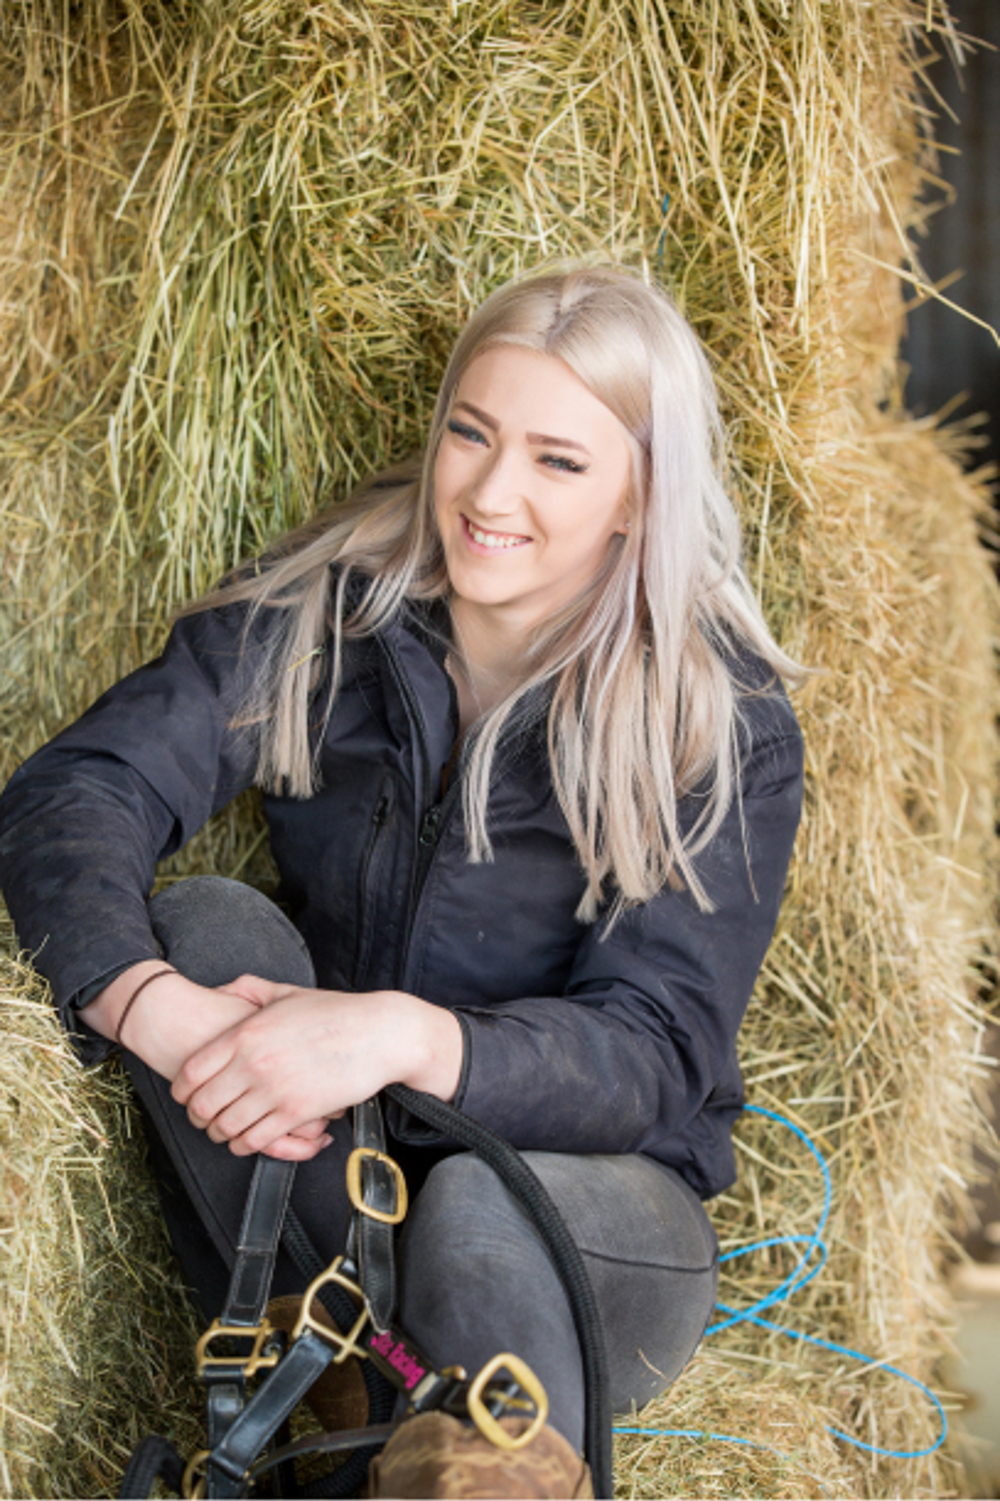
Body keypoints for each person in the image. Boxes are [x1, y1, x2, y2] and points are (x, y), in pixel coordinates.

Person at [0, 265, 803, 1498]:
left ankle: (458, 1462)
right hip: (323, 1163)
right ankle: (324, 1409)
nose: (491, 493)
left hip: (594, 1205)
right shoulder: (333, 609)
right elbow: (81, 788)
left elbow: (652, 1055)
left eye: (558, 461)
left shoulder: (714, 717)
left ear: (642, 494)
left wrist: (400, 1035)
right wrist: (145, 999)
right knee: (206, 925)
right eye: (471, 434)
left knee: (480, 1215)